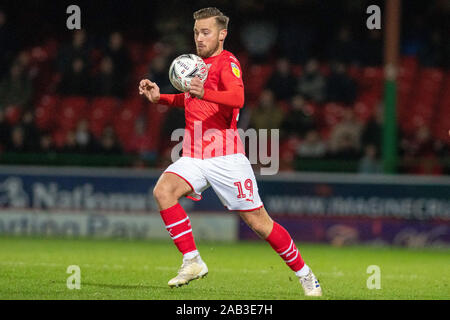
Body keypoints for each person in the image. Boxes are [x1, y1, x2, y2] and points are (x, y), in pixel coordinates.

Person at [139, 7, 322, 297]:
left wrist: (204, 92)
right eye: (197, 32)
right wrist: (158, 96)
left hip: (226, 157)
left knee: (260, 224)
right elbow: (190, 101)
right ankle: (192, 261)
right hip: (194, 155)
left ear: (222, 34)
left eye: (206, 32)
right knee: (163, 191)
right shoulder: (196, 64)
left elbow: (238, 98)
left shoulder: (228, 62)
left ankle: (306, 274)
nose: (199, 37)